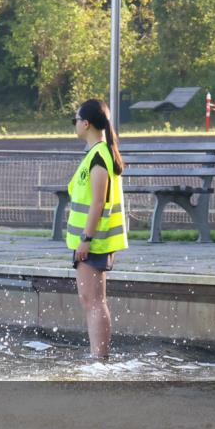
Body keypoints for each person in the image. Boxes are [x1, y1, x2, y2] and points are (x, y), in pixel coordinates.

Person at [66, 99, 128, 360]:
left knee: (94, 301)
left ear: (86, 123)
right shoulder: (95, 153)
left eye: (76, 119)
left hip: (95, 241)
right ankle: (96, 355)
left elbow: (98, 202)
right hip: (90, 242)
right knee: (89, 300)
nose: (75, 124)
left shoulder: (99, 156)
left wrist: (86, 238)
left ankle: (99, 358)